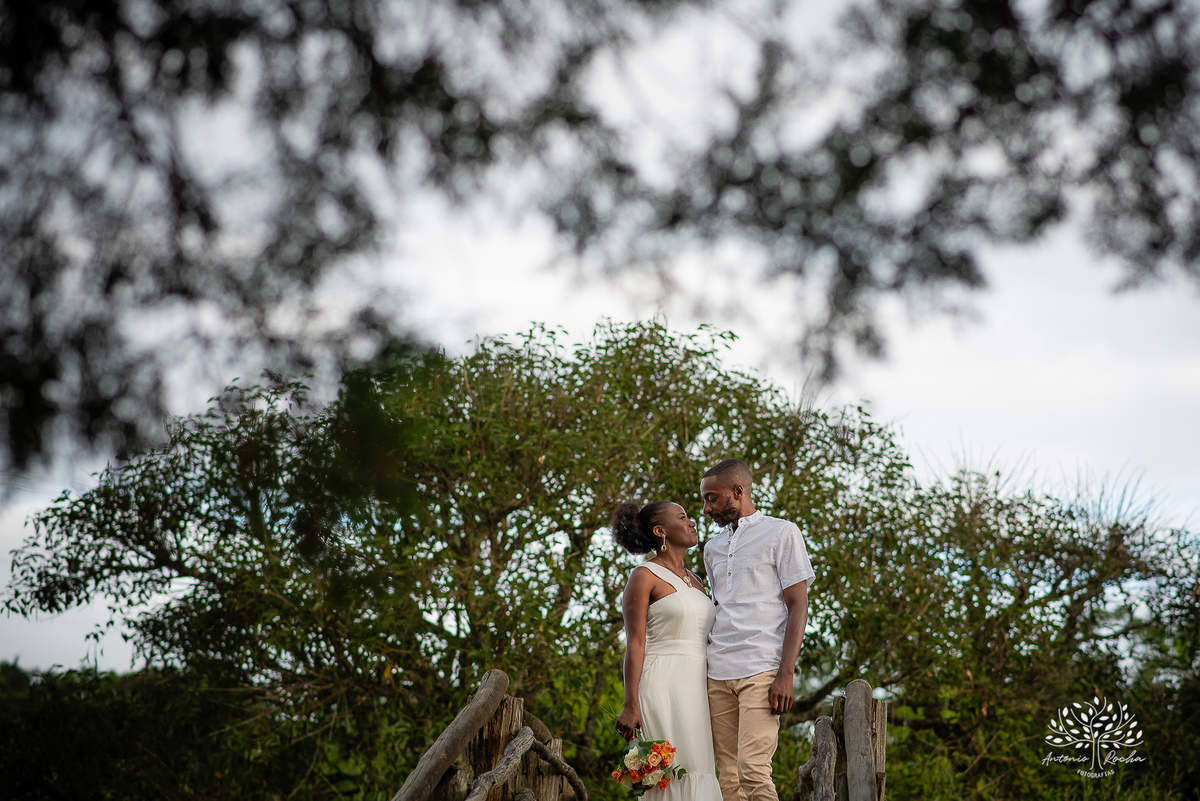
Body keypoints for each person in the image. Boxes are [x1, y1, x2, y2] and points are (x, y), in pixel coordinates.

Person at [701, 459, 815, 801]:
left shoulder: (782, 532)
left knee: (753, 771)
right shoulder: (712, 548)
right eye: (704, 500)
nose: (707, 509)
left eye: (713, 499)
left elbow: (798, 605)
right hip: (717, 671)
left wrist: (785, 673)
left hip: (762, 668)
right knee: (727, 780)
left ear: (738, 492)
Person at [613, 500, 723, 801]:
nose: (692, 522)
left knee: (700, 769)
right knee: (672, 774)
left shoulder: (698, 582)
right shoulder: (644, 576)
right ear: (660, 530)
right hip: (662, 683)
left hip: (699, 686)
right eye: (683, 517)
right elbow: (635, 643)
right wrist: (630, 704)